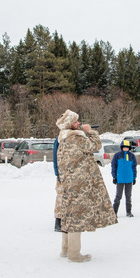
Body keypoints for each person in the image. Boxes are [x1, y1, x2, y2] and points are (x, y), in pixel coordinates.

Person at [56, 109, 117, 262]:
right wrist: (91, 132)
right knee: (77, 216)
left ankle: (65, 249)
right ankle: (74, 254)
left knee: (69, 214)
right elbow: (95, 146)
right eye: (76, 121)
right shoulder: (75, 137)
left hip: (70, 182)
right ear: (70, 125)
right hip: (79, 183)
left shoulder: (63, 138)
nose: (79, 123)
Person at [111, 140, 137, 217]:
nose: (126, 149)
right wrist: (114, 176)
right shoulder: (117, 155)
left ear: (129, 148)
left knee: (128, 196)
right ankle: (114, 212)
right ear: (121, 147)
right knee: (118, 196)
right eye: (124, 147)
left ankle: (128, 212)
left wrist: (134, 177)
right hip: (120, 179)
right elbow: (114, 166)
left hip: (129, 178)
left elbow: (134, 167)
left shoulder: (132, 156)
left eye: (127, 148)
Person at [53, 137, 62, 232]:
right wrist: (57, 172)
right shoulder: (60, 138)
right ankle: (58, 221)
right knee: (61, 196)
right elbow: (55, 156)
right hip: (62, 172)